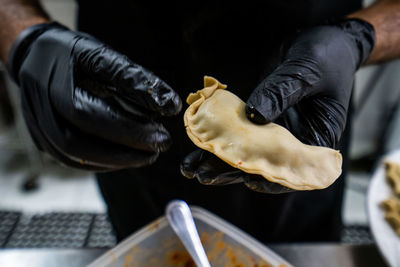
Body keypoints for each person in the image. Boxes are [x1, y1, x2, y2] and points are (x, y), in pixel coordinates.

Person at [0, 0, 399, 243]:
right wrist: (24, 37)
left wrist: (358, 37)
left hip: (303, 111)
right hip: (124, 101)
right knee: (148, 241)